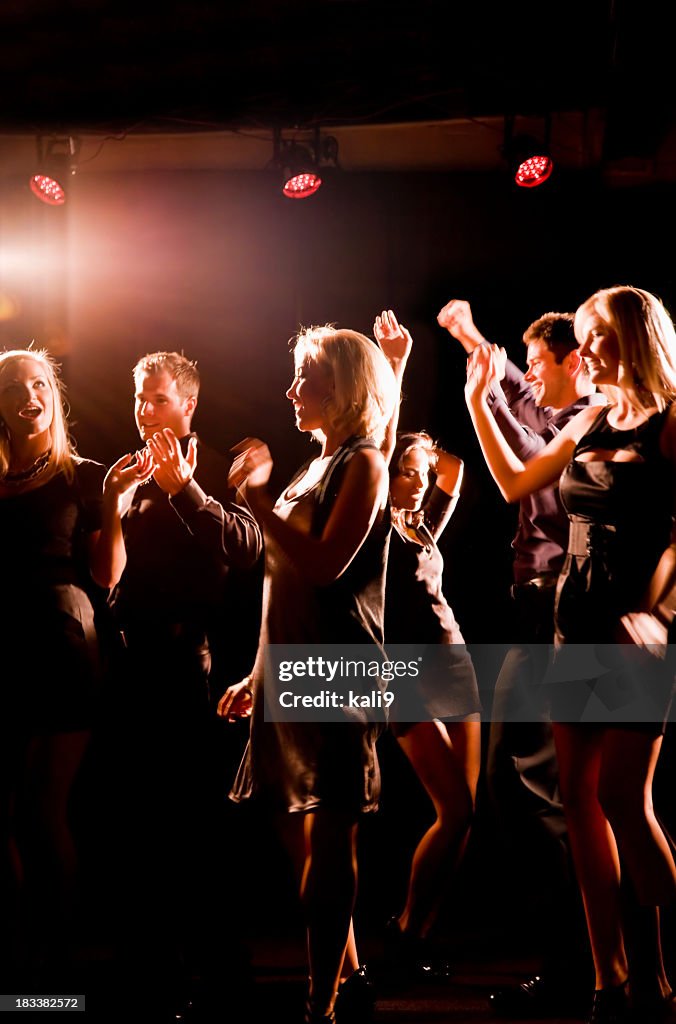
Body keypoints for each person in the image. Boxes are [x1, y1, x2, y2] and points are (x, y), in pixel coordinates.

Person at [464, 285, 676, 1024]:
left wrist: (659, 611)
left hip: (636, 634)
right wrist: (477, 402)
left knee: (625, 799)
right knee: (581, 805)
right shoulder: (588, 416)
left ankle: (656, 972)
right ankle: (609, 980)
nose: (582, 351)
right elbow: (517, 481)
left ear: (628, 338)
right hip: (574, 625)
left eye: (592, 336)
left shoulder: (671, 420)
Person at [217, 324, 400, 1024]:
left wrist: (259, 503)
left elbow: (326, 565)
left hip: (338, 666)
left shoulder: (365, 465)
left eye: (306, 378)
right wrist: (256, 671)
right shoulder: (312, 467)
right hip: (287, 667)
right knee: (295, 830)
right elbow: (281, 581)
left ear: (345, 388)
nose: (291, 390)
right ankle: (347, 981)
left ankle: (319, 1004)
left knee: (327, 836)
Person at [439, 298, 602, 1015]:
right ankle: (582, 957)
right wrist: (481, 346)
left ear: (577, 360)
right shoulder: (557, 409)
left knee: (558, 791)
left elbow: (522, 463)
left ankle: (588, 963)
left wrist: (482, 396)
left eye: (541, 363)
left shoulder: (587, 420)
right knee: (521, 784)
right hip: (536, 605)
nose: (529, 378)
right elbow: (522, 399)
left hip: (562, 607)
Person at [107, 351, 262, 1021]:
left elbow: (247, 550)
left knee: (200, 827)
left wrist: (186, 492)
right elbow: (108, 577)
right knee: (139, 828)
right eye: (140, 399)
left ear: (188, 405)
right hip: (133, 665)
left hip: (195, 668)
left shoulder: (223, 469)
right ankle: (152, 974)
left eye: (160, 399)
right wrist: (112, 505)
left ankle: (223, 978)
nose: (146, 411)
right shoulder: (128, 476)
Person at [0, 347, 152, 993]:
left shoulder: (81, 475)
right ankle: (17, 960)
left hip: (61, 646)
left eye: (39, 384)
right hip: (1, 649)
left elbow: (107, 576)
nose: (28, 395)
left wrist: (115, 505)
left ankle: (53, 974)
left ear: (53, 395)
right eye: (13, 387)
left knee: (42, 812)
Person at [380, 426, 482, 979]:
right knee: (454, 809)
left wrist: (424, 452)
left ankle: (418, 936)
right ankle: (403, 929)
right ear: (385, 475)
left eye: (420, 475)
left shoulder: (420, 525)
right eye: (406, 472)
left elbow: (455, 470)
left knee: (466, 816)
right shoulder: (374, 528)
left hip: (455, 665)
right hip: (406, 677)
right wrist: (401, 444)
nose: (418, 483)